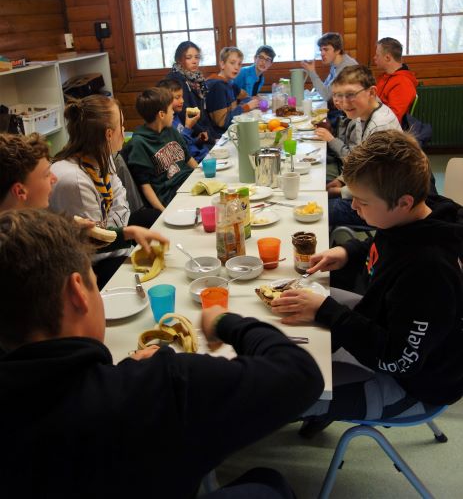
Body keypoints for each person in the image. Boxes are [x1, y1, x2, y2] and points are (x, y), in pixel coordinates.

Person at [0, 208, 324, 498]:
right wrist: (224, 322)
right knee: (268, 483)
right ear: (77, 292)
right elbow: (300, 375)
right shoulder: (162, 386)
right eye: (93, 282)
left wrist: (124, 371)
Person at [271, 130, 463, 438]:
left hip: (409, 385)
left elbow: (397, 360)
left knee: (276, 394)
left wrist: (328, 313)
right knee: (298, 299)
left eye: (361, 201)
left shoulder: (429, 271)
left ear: (403, 202)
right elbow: (389, 241)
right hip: (384, 323)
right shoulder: (420, 211)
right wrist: (350, 251)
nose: (354, 208)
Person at [49, 96, 164, 289]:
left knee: (152, 216)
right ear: (109, 134)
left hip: (110, 234)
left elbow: (121, 204)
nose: (124, 130)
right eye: (121, 125)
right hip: (91, 262)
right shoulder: (74, 180)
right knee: (145, 274)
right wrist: (125, 236)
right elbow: (95, 242)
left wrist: (120, 229)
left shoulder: (102, 154)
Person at [314, 65, 401, 184]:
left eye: (351, 94)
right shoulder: (362, 114)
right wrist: (341, 180)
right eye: (338, 95)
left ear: (372, 92)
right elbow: (359, 161)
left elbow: (376, 181)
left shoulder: (379, 127)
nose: (344, 103)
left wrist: (342, 191)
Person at [125, 87, 197, 212]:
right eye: (171, 109)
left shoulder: (171, 130)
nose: (173, 112)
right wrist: (162, 211)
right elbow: (145, 185)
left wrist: (204, 177)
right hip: (171, 197)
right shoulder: (139, 143)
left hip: (190, 183)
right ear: (161, 114)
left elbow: (188, 158)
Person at [167, 40, 215, 148]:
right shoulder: (176, 80)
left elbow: (202, 111)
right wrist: (208, 137)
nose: (194, 61)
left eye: (197, 57)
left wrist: (211, 134)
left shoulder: (197, 79)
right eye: (189, 57)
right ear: (179, 60)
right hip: (188, 134)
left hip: (200, 132)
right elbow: (185, 112)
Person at [301, 32, 357, 122]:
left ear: (337, 50)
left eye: (326, 49)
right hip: (342, 110)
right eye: (321, 50)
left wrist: (311, 72)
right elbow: (326, 87)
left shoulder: (346, 67)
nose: (322, 53)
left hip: (350, 115)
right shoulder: (335, 64)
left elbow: (326, 95)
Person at [206, 46, 260, 136]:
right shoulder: (218, 86)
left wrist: (241, 106)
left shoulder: (230, 83)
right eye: (232, 63)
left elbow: (246, 97)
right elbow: (223, 123)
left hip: (231, 130)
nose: (236, 67)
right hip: (221, 136)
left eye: (239, 64)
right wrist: (245, 107)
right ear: (222, 64)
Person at [158, 78, 209, 163]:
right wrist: (188, 127)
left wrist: (198, 140)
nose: (182, 101)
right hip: (193, 162)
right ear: (164, 100)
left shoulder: (176, 116)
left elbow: (188, 143)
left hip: (202, 155)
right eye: (177, 97)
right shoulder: (166, 123)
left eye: (182, 96)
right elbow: (178, 148)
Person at [374, 37, 418, 124]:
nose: (374, 58)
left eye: (377, 55)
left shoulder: (402, 83)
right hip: (377, 120)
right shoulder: (385, 77)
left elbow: (393, 118)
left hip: (387, 128)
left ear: (387, 58)